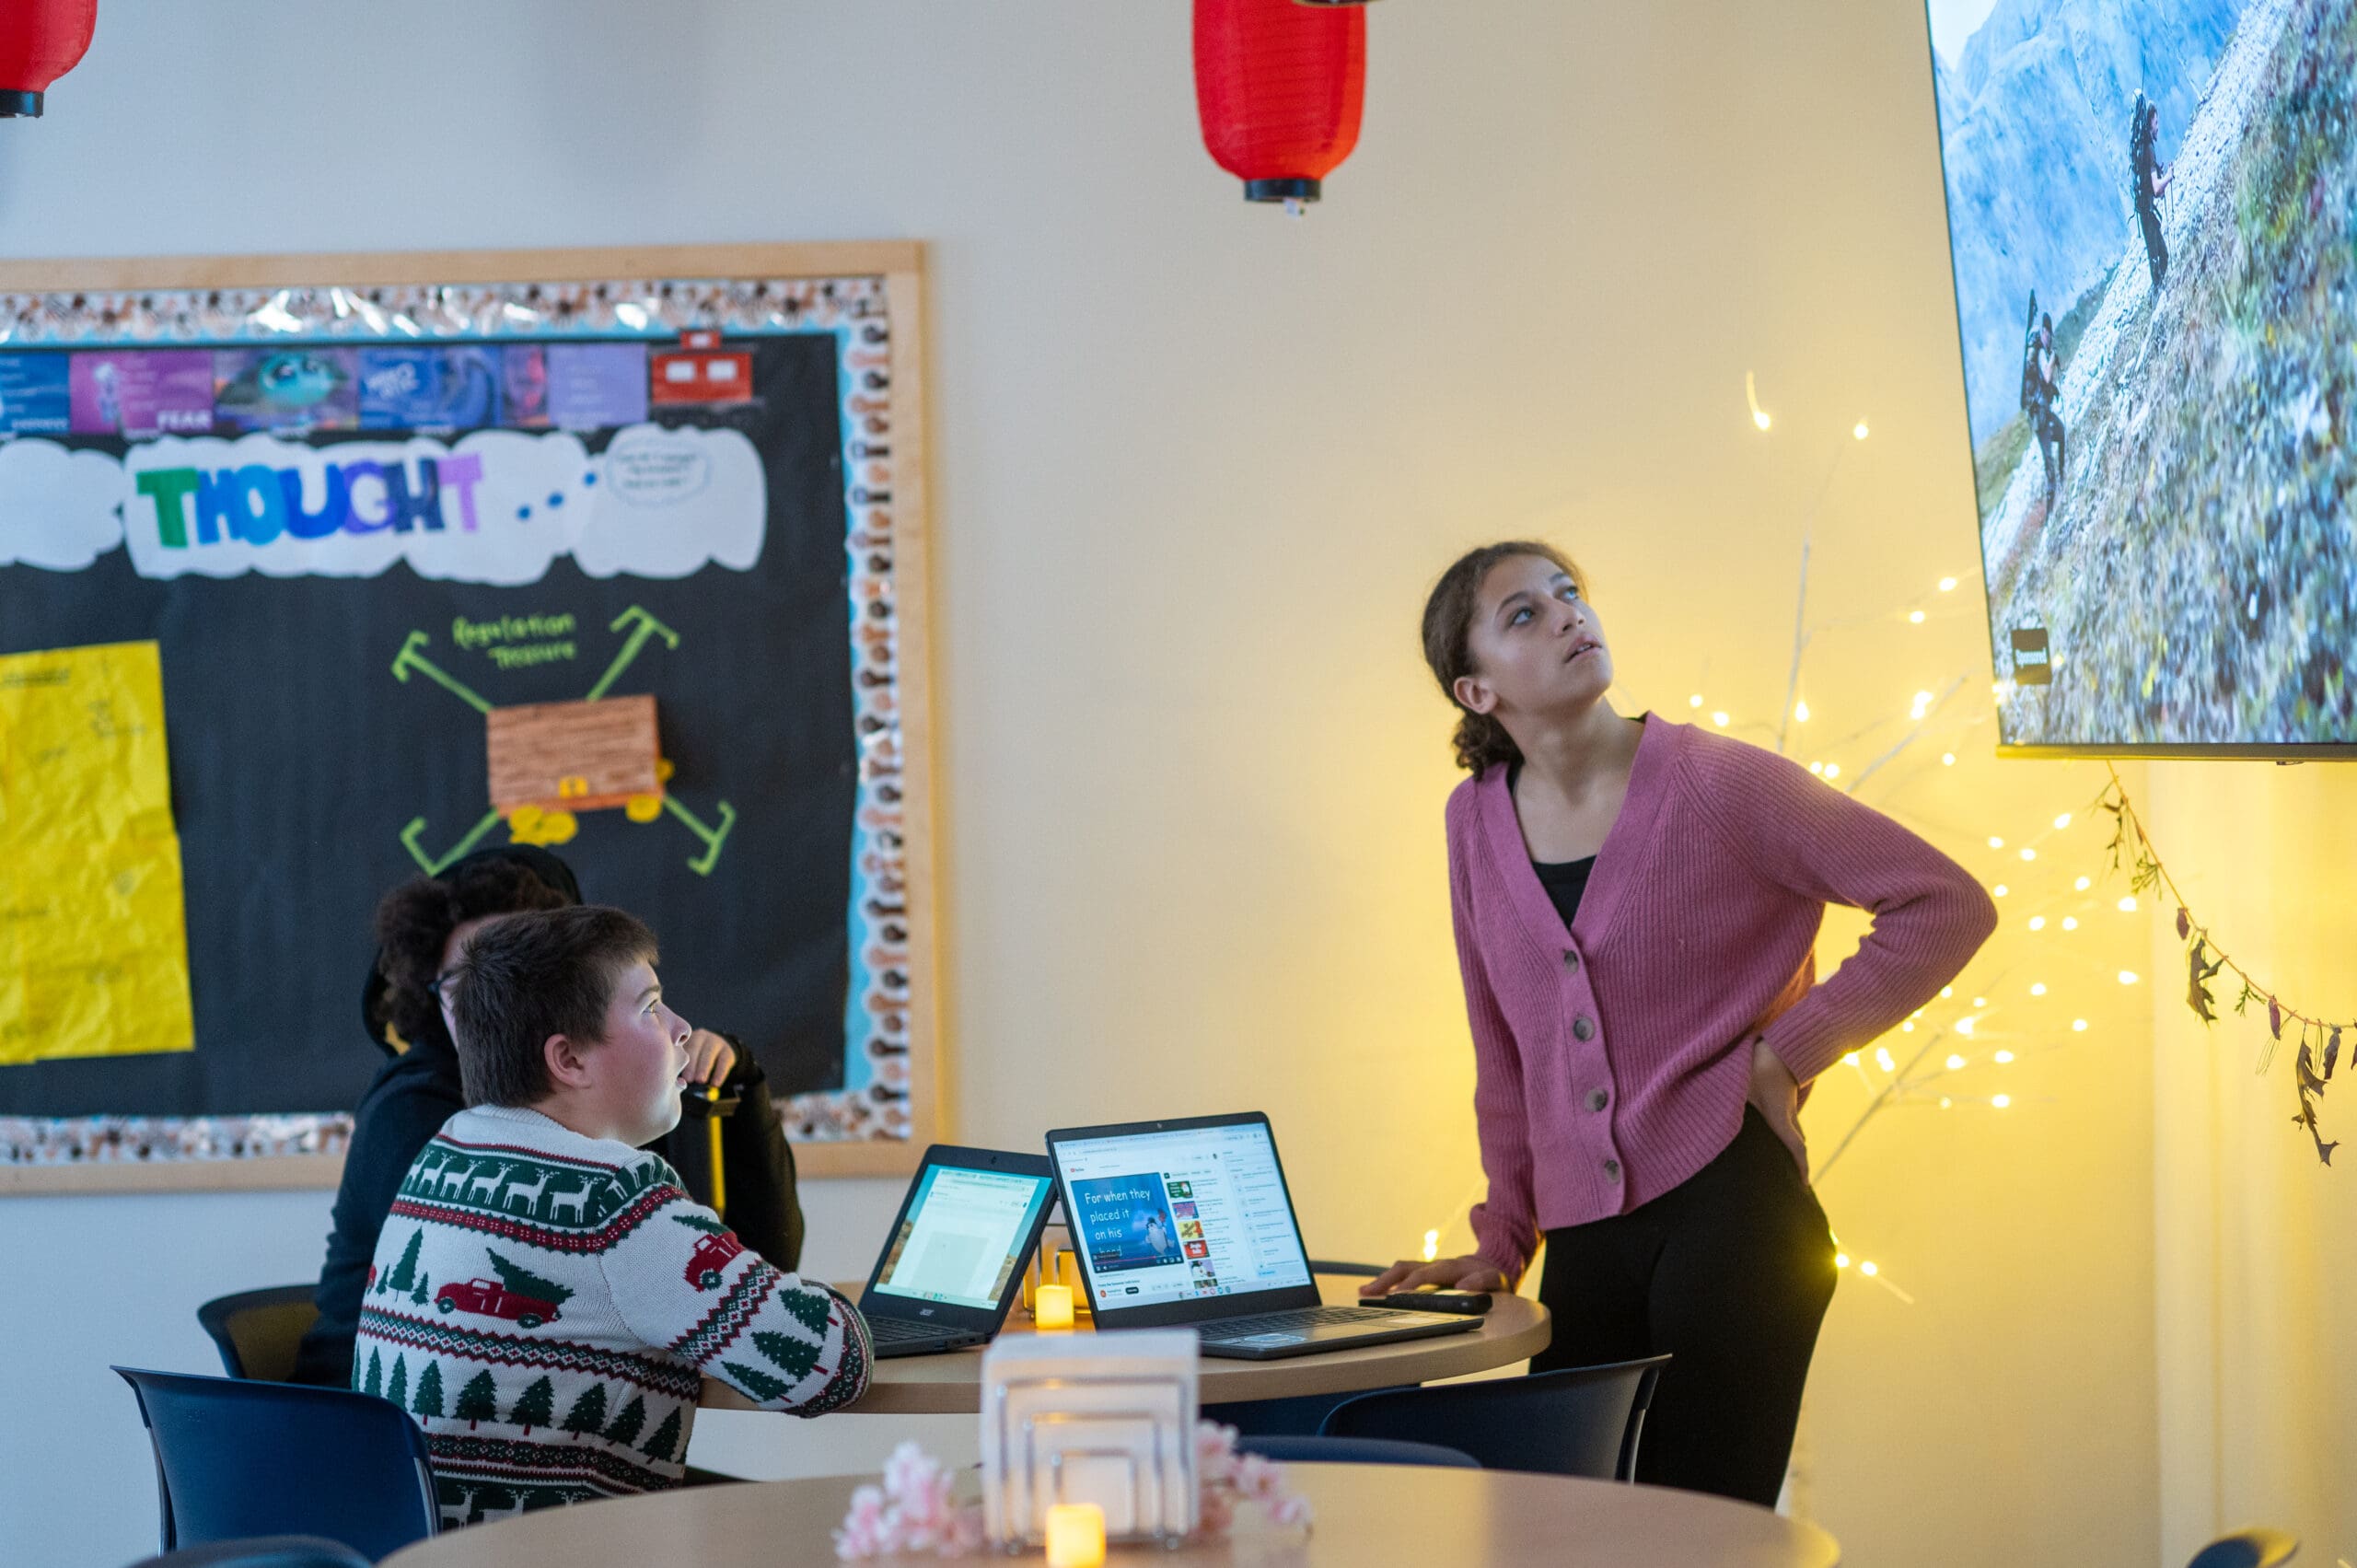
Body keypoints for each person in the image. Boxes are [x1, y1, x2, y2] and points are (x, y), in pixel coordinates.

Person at [1363, 542, 1996, 1505]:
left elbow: (1942, 902)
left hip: (1733, 1213)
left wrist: (1784, 1056)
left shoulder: (1718, 782)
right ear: (1476, 689)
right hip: (1587, 1235)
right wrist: (1499, 1240)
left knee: (1697, 1531)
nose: (1569, 613)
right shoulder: (1472, 821)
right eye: (1523, 613)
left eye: (1568, 592)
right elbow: (1503, 1049)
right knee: (1555, 1524)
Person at [351, 905, 868, 1517]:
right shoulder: (610, 1196)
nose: (681, 1028)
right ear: (568, 1060)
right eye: (650, 1006)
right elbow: (828, 1365)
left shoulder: (445, 1153)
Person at [290, 845, 804, 1388]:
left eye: (524, 974)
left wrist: (729, 1089)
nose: (497, 999)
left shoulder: (602, 1095)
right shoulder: (414, 1114)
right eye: (472, 983)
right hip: (381, 1439)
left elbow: (762, 1263)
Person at [2131, 91, 2172, 290]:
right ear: (2150, 124)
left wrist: (2159, 173)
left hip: (2145, 212)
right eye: (2156, 123)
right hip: (2148, 214)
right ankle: (2159, 300)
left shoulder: (2143, 146)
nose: (2158, 127)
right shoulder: (2149, 149)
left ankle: (2160, 293)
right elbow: (2157, 189)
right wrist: (2169, 176)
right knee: (2160, 260)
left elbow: (2149, 181)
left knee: (2159, 257)